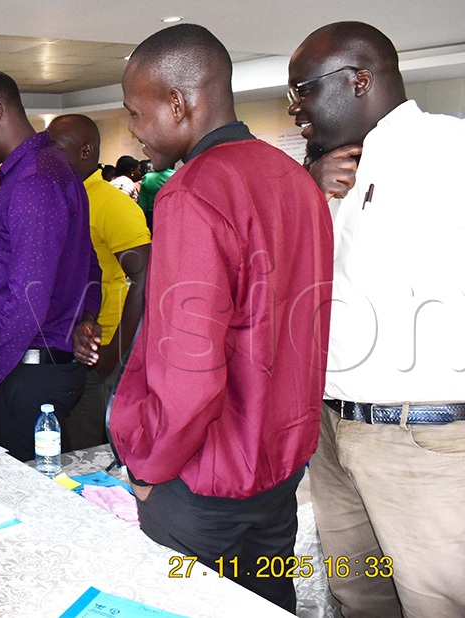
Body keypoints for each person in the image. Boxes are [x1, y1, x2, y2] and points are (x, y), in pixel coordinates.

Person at [105, 24, 332, 613]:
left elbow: (189, 370)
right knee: (268, 603)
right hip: (280, 468)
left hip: (205, 479)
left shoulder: (193, 191)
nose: (132, 130)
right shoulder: (295, 180)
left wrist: (150, 467)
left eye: (135, 113)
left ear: (177, 103)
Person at [288, 22, 465, 618]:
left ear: (360, 80)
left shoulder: (458, 150)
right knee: (358, 597)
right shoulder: (324, 174)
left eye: (303, 88)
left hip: (426, 443)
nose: (295, 106)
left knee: (441, 606)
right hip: (333, 435)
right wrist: (306, 193)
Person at [0, 69, 100, 461]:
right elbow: (90, 266)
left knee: (22, 497)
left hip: (27, 375)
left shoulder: (35, 181)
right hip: (30, 366)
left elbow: (27, 304)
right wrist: (84, 316)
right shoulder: (47, 170)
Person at [46, 114, 150, 450]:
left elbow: (145, 278)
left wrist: (113, 356)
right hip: (75, 346)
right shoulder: (68, 198)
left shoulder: (111, 204)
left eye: (56, 150)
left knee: (94, 450)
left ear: (86, 151)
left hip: (107, 351)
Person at [136, 164, 174, 230]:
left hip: (152, 215)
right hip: (171, 213)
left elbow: (143, 205)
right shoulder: (175, 175)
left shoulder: (147, 178)